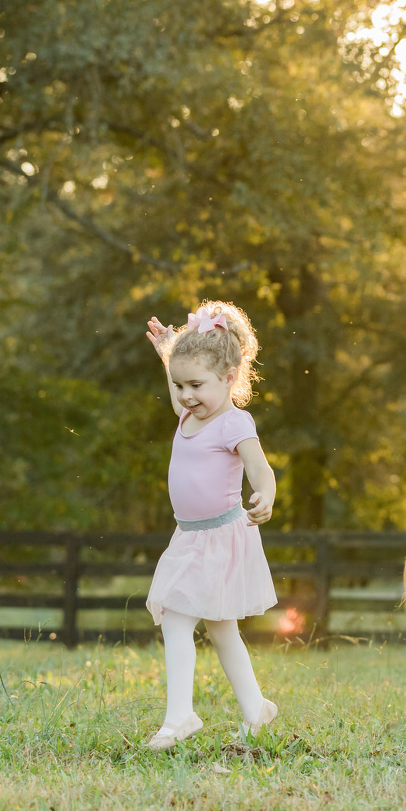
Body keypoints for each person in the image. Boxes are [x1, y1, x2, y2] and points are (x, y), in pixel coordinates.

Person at [142, 302, 279, 749]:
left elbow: (260, 469)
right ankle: (256, 708)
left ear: (229, 377)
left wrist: (265, 495)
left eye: (196, 386)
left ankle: (180, 716)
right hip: (189, 536)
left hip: (220, 537)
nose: (185, 395)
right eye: (179, 385)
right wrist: (168, 351)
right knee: (221, 630)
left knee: (176, 617)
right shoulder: (188, 413)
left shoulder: (233, 422)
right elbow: (179, 380)